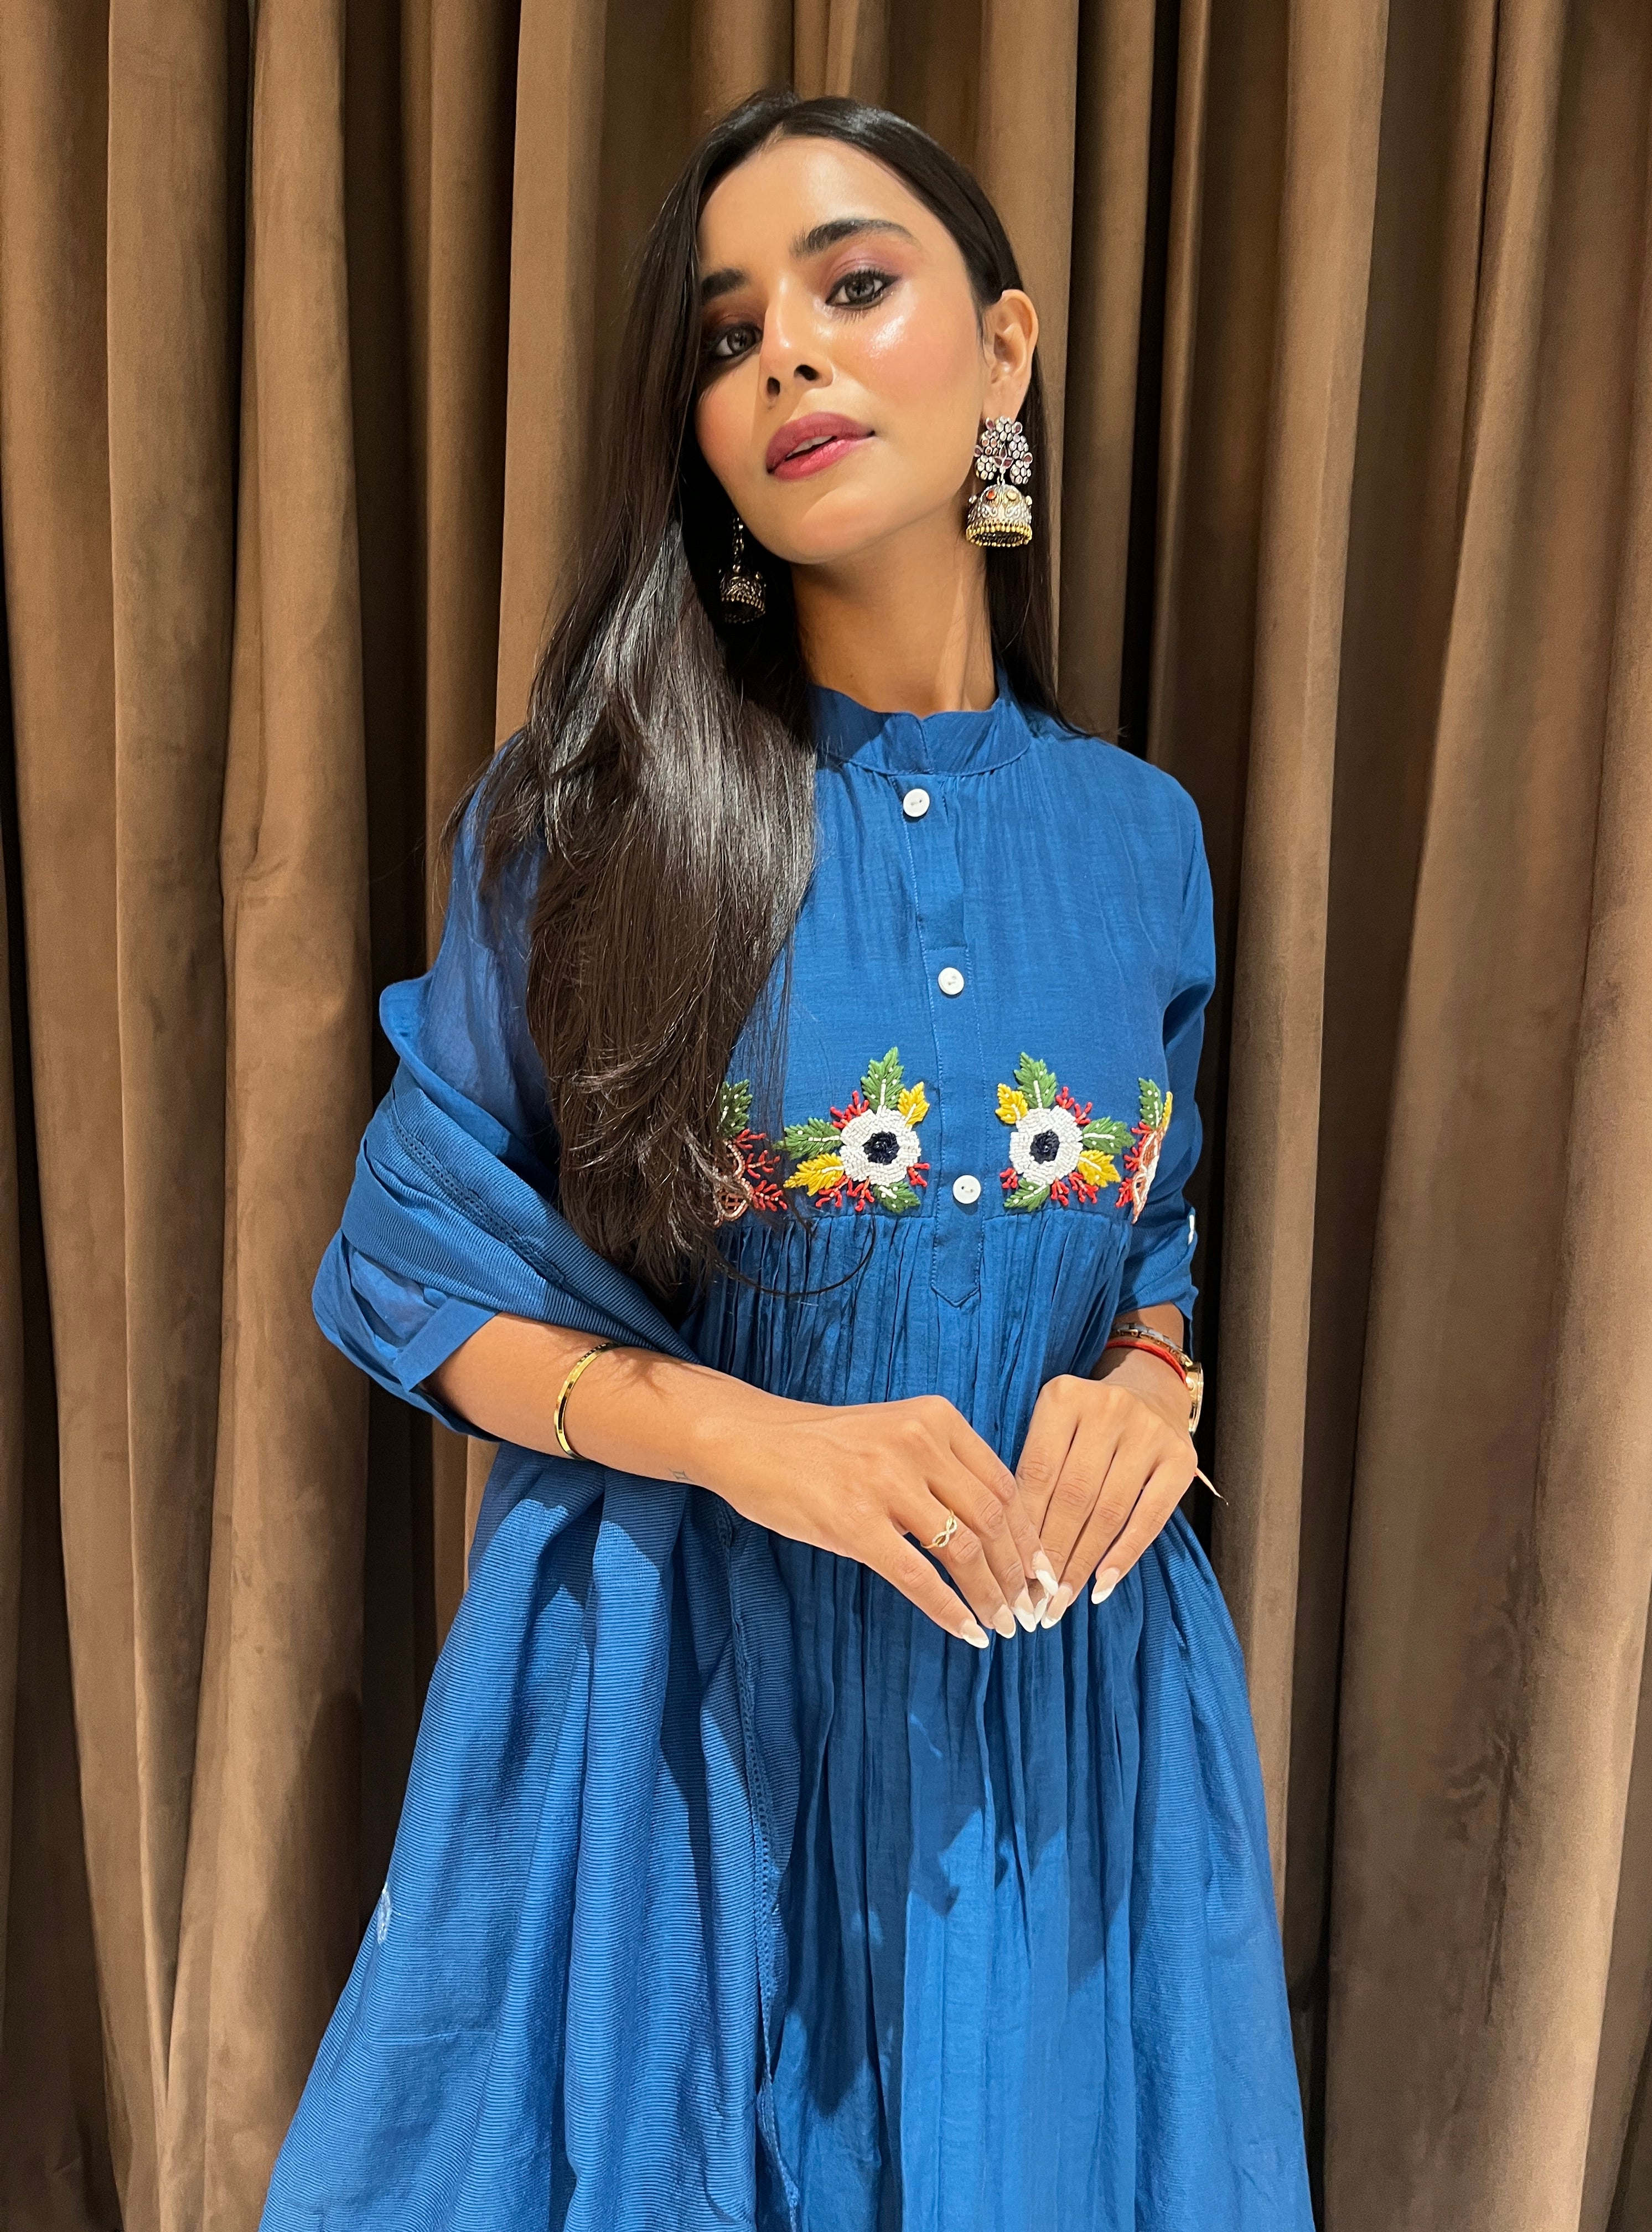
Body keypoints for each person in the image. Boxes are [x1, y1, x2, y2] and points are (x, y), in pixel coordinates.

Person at [260, 86, 1313, 2232]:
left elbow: (1148, 1229)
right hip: (678, 1732)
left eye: (855, 288)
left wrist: (1154, 1385)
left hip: (1054, 1731)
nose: (789, 360)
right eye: (731, 336)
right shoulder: (592, 824)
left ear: (1006, 350)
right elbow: (412, 1272)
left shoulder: (1144, 842)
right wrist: (753, 1445)